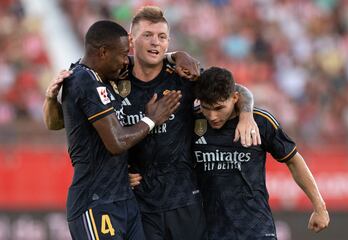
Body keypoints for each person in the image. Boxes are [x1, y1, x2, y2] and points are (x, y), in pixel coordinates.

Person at [43, 6, 260, 240]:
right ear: (131, 40)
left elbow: (234, 91)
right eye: (147, 35)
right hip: (139, 205)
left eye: (162, 37)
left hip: (184, 202)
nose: (155, 42)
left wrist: (246, 114)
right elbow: (76, 123)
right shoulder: (112, 76)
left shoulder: (183, 74)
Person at [57, 20, 181, 240]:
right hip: (95, 202)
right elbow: (116, 143)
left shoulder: (101, 77)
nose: (126, 61)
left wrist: (173, 56)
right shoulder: (84, 81)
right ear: (103, 52)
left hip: (122, 198)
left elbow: (142, 62)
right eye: (123, 54)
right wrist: (152, 119)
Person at [192, 67, 330, 239]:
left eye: (219, 108)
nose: (212, 116)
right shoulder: (192, 121)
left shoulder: (260, 122)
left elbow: (294, 161)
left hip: (256, 229)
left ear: (235, 98)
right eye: (206, 108)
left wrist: (320, 207)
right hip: (209, 230)